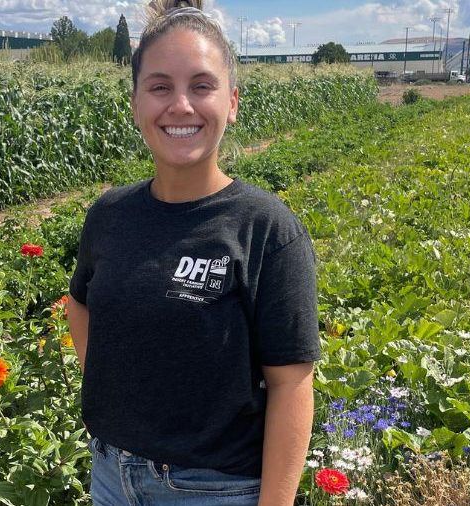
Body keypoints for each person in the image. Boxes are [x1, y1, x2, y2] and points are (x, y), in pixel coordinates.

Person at [66, 1, 320, 504]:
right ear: (136, 103)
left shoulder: (266, 229)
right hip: (110, 476)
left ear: (232, 102)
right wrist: (125, 397)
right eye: (160, 87)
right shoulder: (110, 214)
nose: (180, 105)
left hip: (214, 489)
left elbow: (292, 386)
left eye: (201, 86)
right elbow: (80, 304)